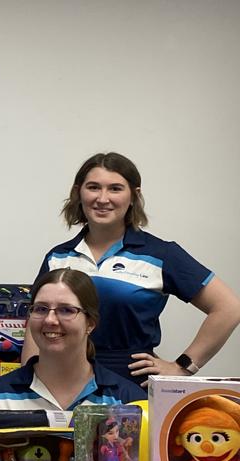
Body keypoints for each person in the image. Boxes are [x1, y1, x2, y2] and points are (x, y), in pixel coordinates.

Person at [33, 152, 240, 384]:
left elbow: (229, 308)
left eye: (115, 188)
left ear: (133, 195)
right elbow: (36, 322)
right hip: (62, 379)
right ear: (78, 192)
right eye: (93, 187)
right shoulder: (57, 257)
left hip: (130, 385)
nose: (102, 198)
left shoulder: (161, 254)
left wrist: (183, 367)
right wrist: (30, 380)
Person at [0, 269, 145, 411]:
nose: (50, 320)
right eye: (41, 309)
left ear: (90, 323)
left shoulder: (128, 401)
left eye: (66, 310)